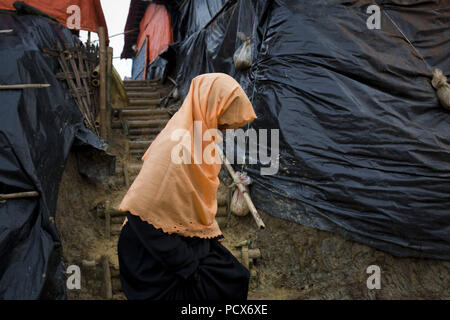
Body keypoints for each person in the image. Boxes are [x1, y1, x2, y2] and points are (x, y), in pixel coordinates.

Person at [117, 73, 258, 300]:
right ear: (208, 106)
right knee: (221, 285)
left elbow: (189, 208)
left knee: (236, 276)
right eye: (223, 117)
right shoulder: (176, 145)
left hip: (178, 236)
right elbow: (140, 216)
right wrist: (188, 266)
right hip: (149, 253)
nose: (225, 127)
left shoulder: (200, 143)